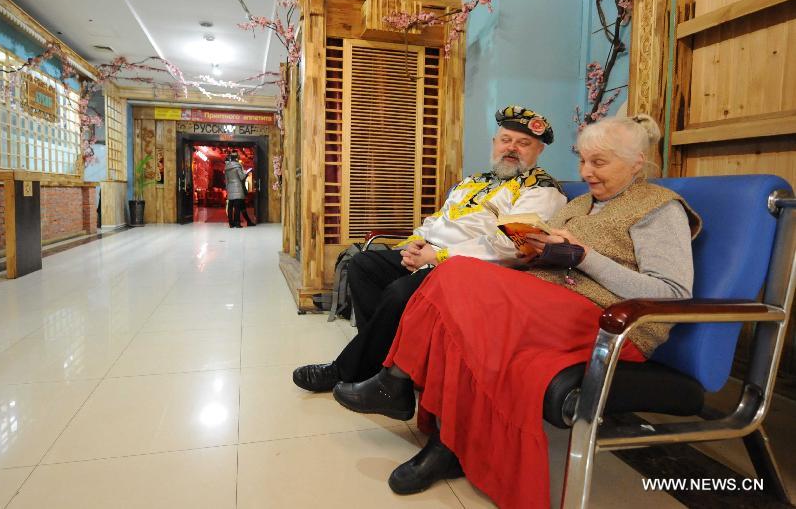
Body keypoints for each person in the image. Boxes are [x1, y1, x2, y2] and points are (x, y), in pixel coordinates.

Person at [331, 114, 702, 508]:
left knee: (455, 279)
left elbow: (673, 292)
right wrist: (536, 247)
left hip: (605, 323)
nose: (585, 172)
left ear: (636, 163)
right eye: (583, 161)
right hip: (543, 301)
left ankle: (399, 384)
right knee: (456, 287)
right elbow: (532, 250)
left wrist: (584, 256)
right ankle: (444, 438)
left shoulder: (658, 208)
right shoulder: (580, 204)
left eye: (599, 163)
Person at [292, 106, 567, 393]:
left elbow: (511, 248)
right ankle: (383, 363)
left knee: (400, 292)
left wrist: (438, 256)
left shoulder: (541, 191)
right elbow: (438, 219)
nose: (512, 148)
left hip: (471, 271)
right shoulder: (474, 181)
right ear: (494, 143)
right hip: (430, 255)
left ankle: (345, 370)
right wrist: (415, 243)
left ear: (538, 151)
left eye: (523, 143)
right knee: (363, 265)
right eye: (505, 140)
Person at [225, 152, 255, 227]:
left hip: (230, 187)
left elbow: (226, 180)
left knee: (230, 206)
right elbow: (241, 177)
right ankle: (237, 223)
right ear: (237, 159)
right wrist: (246, 173)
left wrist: (228, 188)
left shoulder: (227, 167)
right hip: (238, 187)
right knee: (238, 206)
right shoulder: (238, 166)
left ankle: (231, 224)